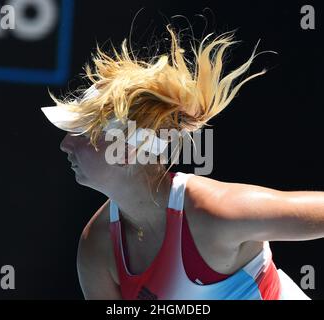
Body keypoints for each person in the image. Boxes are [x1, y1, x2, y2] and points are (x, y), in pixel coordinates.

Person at [41, 25, 322, 300]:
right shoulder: (97, 248)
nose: (65, 144)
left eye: (82, 132)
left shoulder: (215, 212)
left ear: (126, 151)